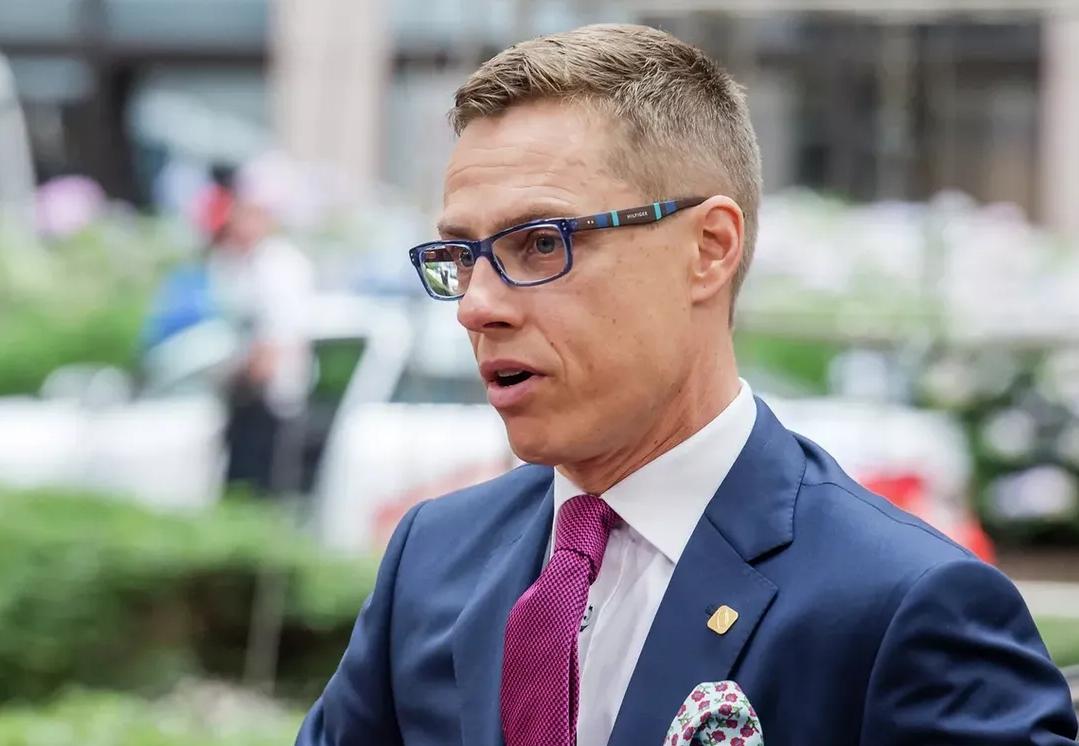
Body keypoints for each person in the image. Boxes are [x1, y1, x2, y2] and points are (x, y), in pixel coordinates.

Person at [296, 24, 1078, 746]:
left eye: (539, 243)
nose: (476, 305)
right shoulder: (433, 557)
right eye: (461, 256)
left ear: (708, 248)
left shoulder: (900, 604)